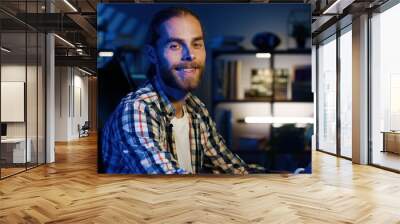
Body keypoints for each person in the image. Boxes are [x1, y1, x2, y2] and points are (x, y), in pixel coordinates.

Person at [101, 7, 251, 174]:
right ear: (152, 55)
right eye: (175, 46)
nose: (190, 55)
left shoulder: (196, 109)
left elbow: (233, 169)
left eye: (196, 44)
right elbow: (170, 186)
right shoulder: (137, 109)